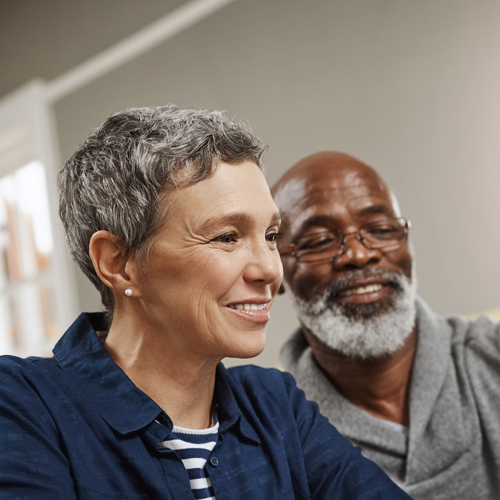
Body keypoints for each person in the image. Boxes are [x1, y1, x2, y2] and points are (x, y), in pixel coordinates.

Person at [0, 109, 411, 500]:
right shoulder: (22, 405)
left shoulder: (275, 404)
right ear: (118, 262)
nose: (270, 269)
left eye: (270, 235)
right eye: (227, 237)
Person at [272, 151, 500, 499]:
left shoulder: (492, 355)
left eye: (380, 229)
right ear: (277, 270)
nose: (359, 256)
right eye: (319, 241)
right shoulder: (272, 437)